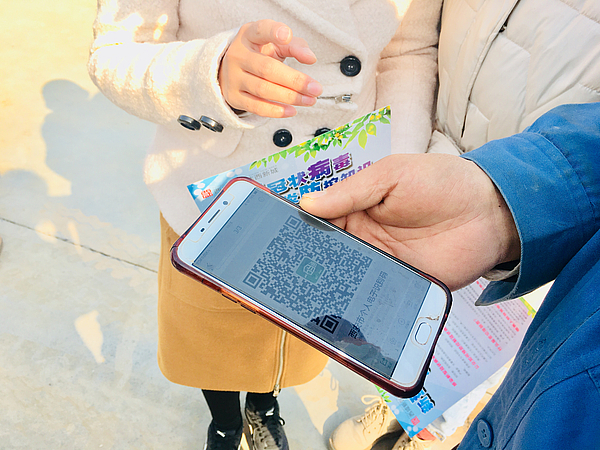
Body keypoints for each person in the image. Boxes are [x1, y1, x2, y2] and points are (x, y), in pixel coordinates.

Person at [87, 0, 443, 448]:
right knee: (211, 344)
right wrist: (209, 72)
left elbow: (408, 52)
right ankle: (224, 422)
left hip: (335, 202)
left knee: (286, 340)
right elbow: (116, 51)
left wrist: (396, 162)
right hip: (213, 202)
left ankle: (263, 408)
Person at [325, 0, 600, 447]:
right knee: (403, 341)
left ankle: (426, 428)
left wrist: (510, 205)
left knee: (481, 356)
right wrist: (414, 161)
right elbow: (416, 43)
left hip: (548, 237)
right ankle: (400, 408)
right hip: (441, 174)